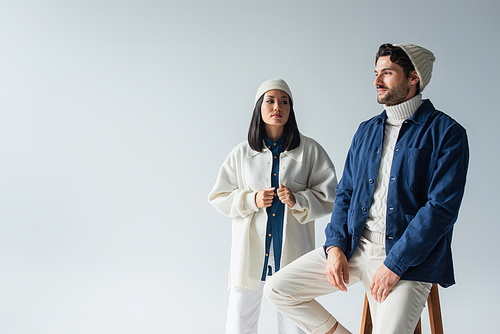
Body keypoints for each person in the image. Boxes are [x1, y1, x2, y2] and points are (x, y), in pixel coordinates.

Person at [264, 44, 469, 334]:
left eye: (387, 73)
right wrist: (335, 245)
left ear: (413, 77)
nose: (376, 82)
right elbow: (346, 193)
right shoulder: (366, 130)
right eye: (376, 73)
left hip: (409, 260)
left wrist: (395, 264)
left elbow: (441, 210)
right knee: (278, 289)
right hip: (354, 248)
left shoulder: (447, 133)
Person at [208, 78, 338, 334]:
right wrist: (251, 200)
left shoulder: (310, 151)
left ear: (291, 109)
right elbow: (219, 196)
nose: (277, 107)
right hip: (250, 253)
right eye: (270, 101)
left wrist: (298, 200)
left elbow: (331, 194)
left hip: (293, 254)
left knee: (295, 325)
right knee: (239, 321)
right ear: (259, 107)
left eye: (284, 101)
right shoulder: (241, 154)